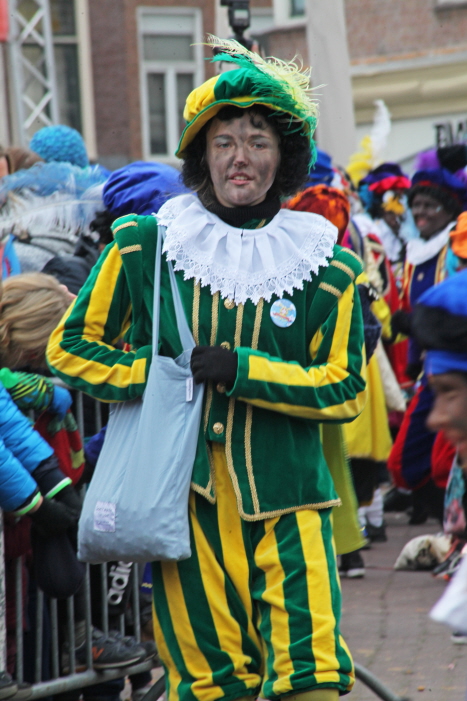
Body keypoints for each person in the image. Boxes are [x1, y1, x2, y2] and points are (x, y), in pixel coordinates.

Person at [48, 38, 367, 700]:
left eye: (256, 140)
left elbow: (340, 387)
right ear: (201, 156)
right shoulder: (145, 248)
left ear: (282, 159)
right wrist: (152, 374)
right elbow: (70, 347)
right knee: (209, 679)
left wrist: (243, 369)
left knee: (309, 671)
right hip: (183, 505)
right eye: (222, 141)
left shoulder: (324, 265)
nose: (239, 157)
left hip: (290, 501)